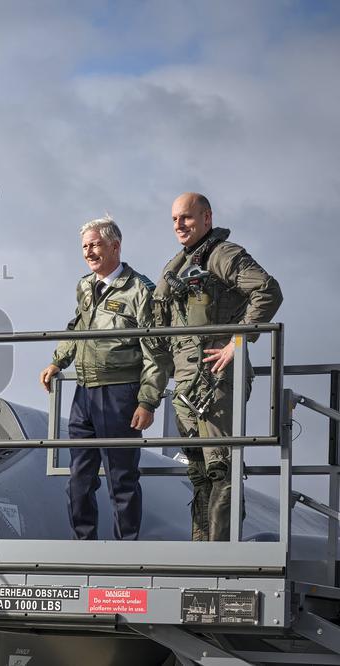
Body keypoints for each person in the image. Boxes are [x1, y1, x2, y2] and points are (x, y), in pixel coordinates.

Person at [153, 193, 282, 541]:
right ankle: (201, 550)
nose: (180, 225)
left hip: (217, 382)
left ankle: (222, 555)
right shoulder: (175, 266)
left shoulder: (222, 255)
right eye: (175, 219)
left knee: (221, 467)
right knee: (196, 469)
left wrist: (237, 343)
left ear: (206, 218)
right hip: (185, 386)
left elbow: (268, 291)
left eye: (187, 218)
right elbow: (160, 332)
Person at [40, 217, 167, 540]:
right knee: (78, 480)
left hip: (121, 392)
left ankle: (126, 549)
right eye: (85, 246)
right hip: (84, 392)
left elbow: (156, 350)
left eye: (95, 244)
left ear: (115, 246)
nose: (89, 252)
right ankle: (84, 544)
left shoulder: (140, 290)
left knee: (121, 478)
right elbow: (78, 327)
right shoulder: (85, 286)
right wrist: (58, 361)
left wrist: (147, 400)